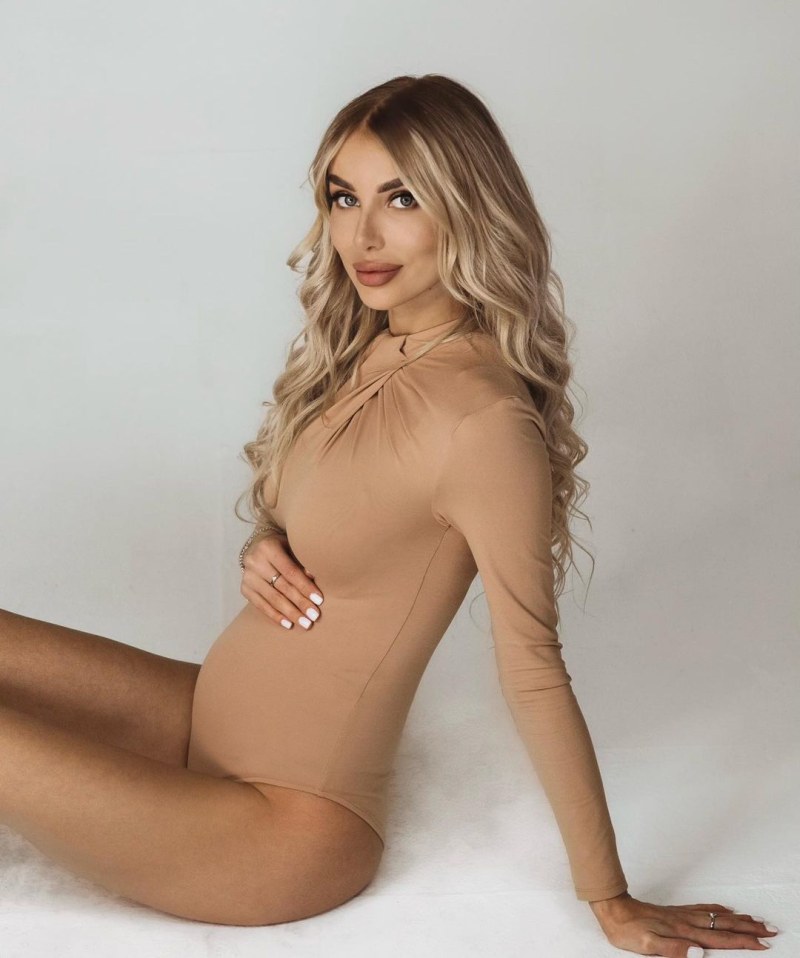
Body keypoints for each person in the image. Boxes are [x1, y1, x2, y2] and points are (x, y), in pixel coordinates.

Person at [0, 74, 777, 952]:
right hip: (202, 724)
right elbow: (349, 520)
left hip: (277, 832)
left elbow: (533, 668)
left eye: (402, 199)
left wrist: (611, 897)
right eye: (345, 197)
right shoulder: (371, 349)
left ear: (468, 207)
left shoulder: (483, 421)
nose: (361, 236)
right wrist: (265, 547)